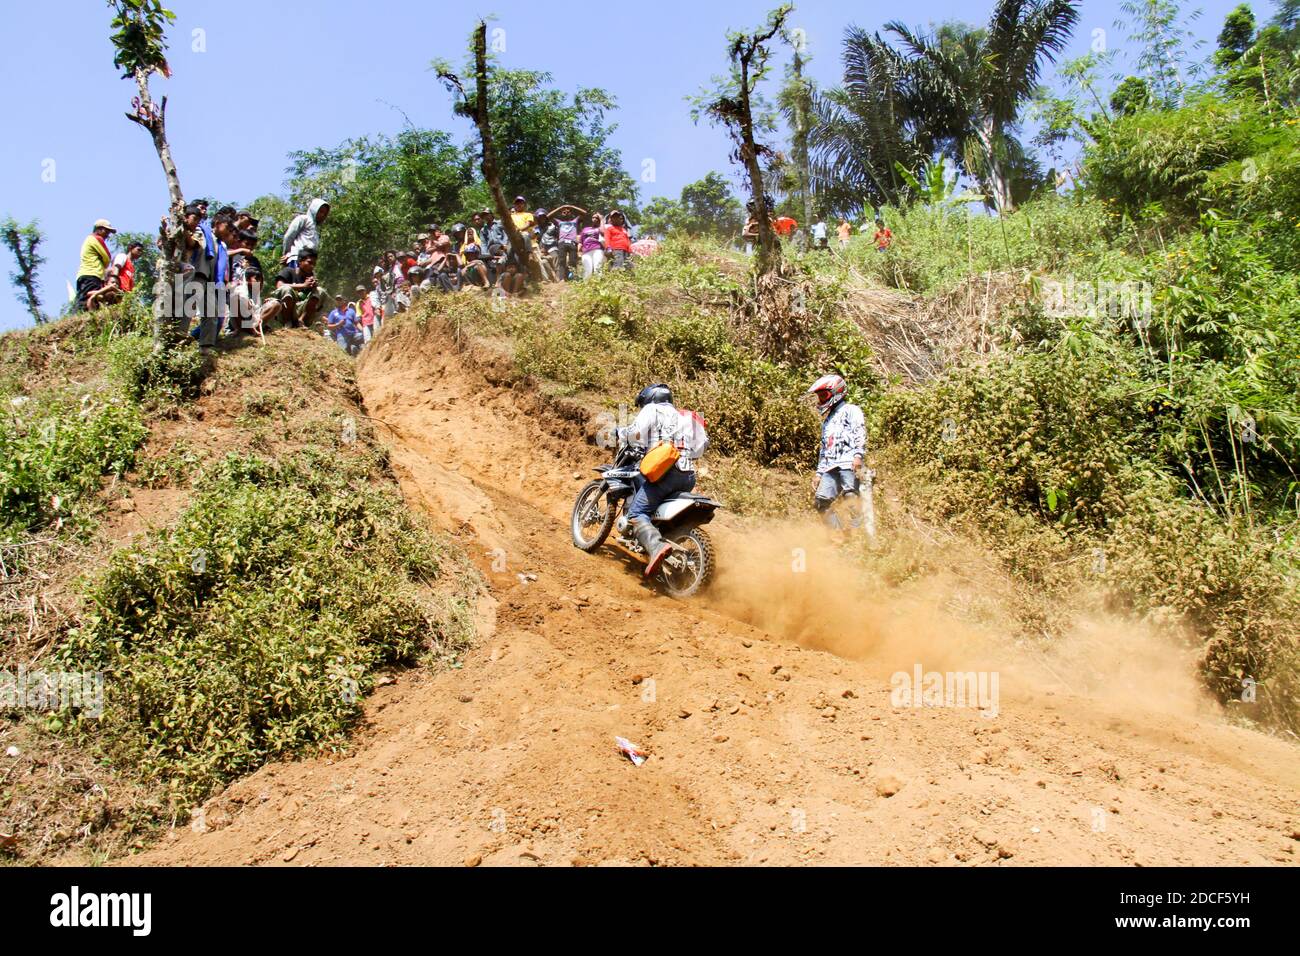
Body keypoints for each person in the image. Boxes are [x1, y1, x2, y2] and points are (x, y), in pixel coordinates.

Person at [621, 383, 697, 577]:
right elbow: (701, 445)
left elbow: (636, 431)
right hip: (688, 476)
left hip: (665, 472)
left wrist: (618, 433)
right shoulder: (685, 416)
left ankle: (655, 548)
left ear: (650, 398)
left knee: (637, 513)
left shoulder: (652, 409)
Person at [805, 374, 867, 531]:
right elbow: (824, 448)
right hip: (830, 467)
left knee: (851, 497)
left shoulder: (851, 410)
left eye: (824, 395)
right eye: (820, 396)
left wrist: (858, 455)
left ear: (837, 392)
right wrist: (819, 473)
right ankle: (838, 535)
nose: (821, 399)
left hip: (848, 463)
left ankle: (857, 535)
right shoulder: (827, 421)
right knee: (820, 502)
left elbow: (859, 432)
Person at [258, 247, 325, 329]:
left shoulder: (310, 278)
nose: (312, 266)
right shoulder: (288, 271)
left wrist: (314, 287)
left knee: (320, 291)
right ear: (300, 261)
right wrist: (303, 285)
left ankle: (301, 321)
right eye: (309, 262)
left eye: (314, 264)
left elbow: (314, 299)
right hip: (282, 309)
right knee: (286, 289)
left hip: (300, 310)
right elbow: (280, 286)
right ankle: (287, 322)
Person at [75, 219, 116, 311]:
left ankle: (81, 316)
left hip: (86, 274)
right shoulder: (96, 238)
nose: (108, 234)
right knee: (89, 298)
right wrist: (104, 262)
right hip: (92, 274)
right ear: (99, 229)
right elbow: (107, 257)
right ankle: (83, 317)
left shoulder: (89, 239)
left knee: (85, 297)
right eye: (106, 231)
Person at [282, 197, 330, 266]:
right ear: (314, 209)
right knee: (296, 276)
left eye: (325, 214)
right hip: (297, 259)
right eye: (321, 211)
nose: (322, 215)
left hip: (308, 262)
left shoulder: (315, 230)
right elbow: (289, 236)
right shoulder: (304, 219)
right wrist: (286, 253)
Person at [548, 204, 585, 280]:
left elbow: (584, 213)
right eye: (564, 212)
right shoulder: (559, 222)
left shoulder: (575, 221)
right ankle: (561, 279)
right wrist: (560, 208)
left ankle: (573, 278)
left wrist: (572, 207)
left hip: (572, 243)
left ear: (571, 213)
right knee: (562, 261)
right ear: (561, 214)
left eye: (568, 212)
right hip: (562, 243)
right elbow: (548, 216)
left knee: (573, 261)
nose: (566, 213)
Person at [579, 213, 605, 278]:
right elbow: (580, 242)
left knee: (598, 268)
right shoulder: (585, 229)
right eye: (593, 217)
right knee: (587, 270)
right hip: (586, 251)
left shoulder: (600, 228)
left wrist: (602, 219)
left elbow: (603, 232)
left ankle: (598, 284)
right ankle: (586, 285)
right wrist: (578, 251)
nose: (595, 219)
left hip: (597, 249)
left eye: (597, 218)